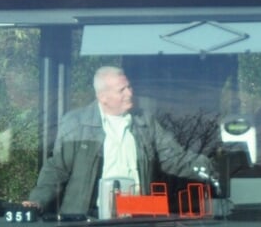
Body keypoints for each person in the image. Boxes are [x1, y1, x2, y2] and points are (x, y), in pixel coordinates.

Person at [25, 66, 214, 216]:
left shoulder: (145, 122)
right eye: (121, 90)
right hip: (87, 221)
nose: (129, 93)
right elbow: (57, 169)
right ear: (103, 97)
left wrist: (213, 170)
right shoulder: (76, 123)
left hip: (140, 215)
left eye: (129, 87)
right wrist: (37, 201)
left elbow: (175, 159)